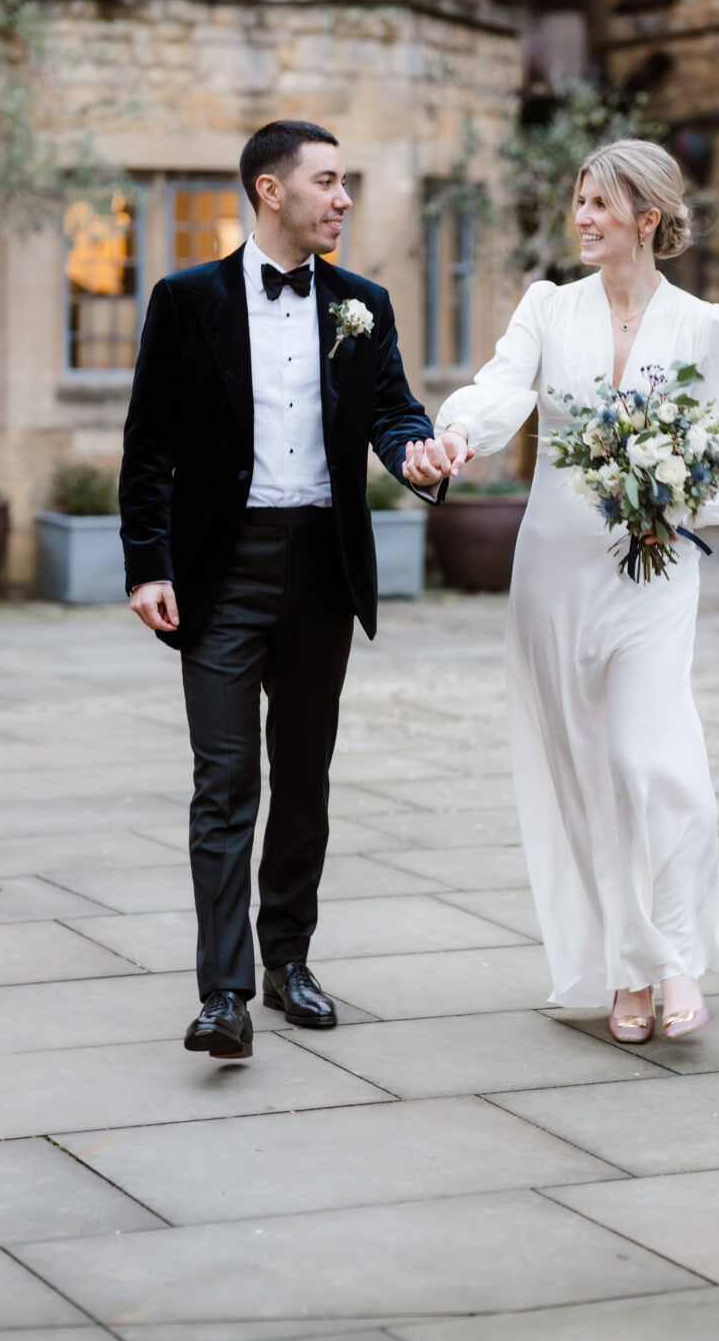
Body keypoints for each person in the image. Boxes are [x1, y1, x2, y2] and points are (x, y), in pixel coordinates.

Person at [120, 119, 462, 1059]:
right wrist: (147, 562)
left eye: (345, 182)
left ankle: (289, 962)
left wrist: (418, 456)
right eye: (328, 181)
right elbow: (149, 446)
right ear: (272, 191)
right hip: (220, 572)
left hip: (321, 568)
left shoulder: (363, 303)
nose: (343, 198)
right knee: (223, 783)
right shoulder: (186, 301)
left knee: (302, 778)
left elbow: (392, 411)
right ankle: (223, 993)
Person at [428, 139, 719, 1041]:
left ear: (646, 218)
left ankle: (680, 958)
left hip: (654, 569)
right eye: (578, 201)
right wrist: (457, 436)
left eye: (600, 205)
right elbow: (502, 391)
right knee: (585, 774)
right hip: (556, 571)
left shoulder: (705, 325)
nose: (581, 218)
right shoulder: (548, 306)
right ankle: (625, 971)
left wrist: (678, 490)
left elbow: (717, 455)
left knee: (656, 762)